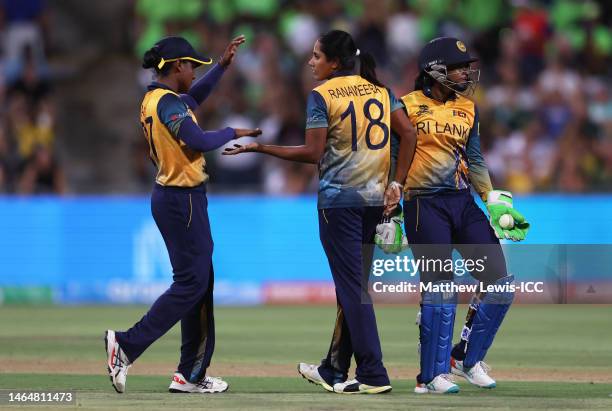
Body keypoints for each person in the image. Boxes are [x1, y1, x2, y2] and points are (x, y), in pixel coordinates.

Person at [223, 30, 417, 394]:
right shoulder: (380, 90)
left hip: (339, 203)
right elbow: (408, 134)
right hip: (375, 202)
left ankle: (374, 373)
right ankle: (334, 368)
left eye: (316, 56)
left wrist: (261, 148)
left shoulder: (322, 95)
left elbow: (313, 153)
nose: (311, 62)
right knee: (353, 289)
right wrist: (398, 183)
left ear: (335, 62)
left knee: (353, 290)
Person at [104, 35, 261, 394]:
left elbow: (194, 99)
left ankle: (191, 374)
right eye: (192, 66)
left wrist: (220, 67)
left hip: (175, 198)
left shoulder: (157, 99)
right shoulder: (167, 104)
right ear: (177, 66)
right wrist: (233, 131)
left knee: (198, 283)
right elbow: (199, 140)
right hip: (182, 200)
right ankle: (125, 346)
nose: (194, 72)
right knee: (192, 283)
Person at [398, 37, 529, 394]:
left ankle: (466, 359)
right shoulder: (405, 106)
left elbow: (475, 160)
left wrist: (494, 201)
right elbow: (393, 161)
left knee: (500, 285)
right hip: (423, 204)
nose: (464, 73)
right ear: (434, 70)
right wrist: (391, 212)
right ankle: (431, 375)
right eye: (457, 67)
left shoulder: (468, 108)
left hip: (461, 201)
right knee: (441, 288)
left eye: (465, 67)